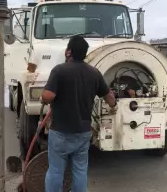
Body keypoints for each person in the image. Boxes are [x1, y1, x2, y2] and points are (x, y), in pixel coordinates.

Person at [41, 35, 117, 192]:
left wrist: (43, 98)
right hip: (83, 132)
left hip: (61, 132)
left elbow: (48, 96)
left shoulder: (60, 70)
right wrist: (114, 106)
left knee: (56, 171)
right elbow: (109, 97)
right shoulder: (94, 73)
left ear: (69, 52)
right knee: (80, 171)